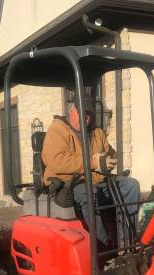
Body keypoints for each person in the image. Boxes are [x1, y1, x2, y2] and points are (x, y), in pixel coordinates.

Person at [41, 93, 140, 247]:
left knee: (131, 185)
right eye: (81, 113)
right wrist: (93, 162)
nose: (85, 119)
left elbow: (110, 153)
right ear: (71, 110)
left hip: (97, 180)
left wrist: (108, 160)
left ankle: (126, 241)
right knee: (89, 193)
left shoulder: (97, 132)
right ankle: (102, 247)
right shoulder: (57, 130)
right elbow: (56, 162)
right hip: (69, 183)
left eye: (88, 115)